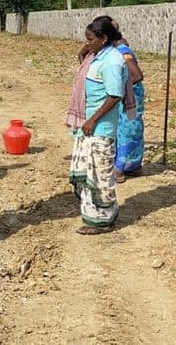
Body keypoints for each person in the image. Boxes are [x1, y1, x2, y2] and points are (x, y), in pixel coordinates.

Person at [66, 17, 131, 235]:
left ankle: (103, 221)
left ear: (103, 39)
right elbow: (82, 57)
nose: (87, 43)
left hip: (99, 128)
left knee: (100, 174)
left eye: (90, 39)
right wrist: (85, 48)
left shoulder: (112, 61)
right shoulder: (97, 56)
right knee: (89, 172)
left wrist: (92, 120)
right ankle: (93, 214)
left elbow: (115, 95)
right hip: (89, 126)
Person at [111, 20, 145, 183]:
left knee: (127, 130)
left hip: (129, 97)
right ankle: (134, 165)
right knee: (130, 129)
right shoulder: (118, 49)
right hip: (127, 96)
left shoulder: (123, 51)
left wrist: (119, 85)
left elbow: (137, 75)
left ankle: (120, 168)